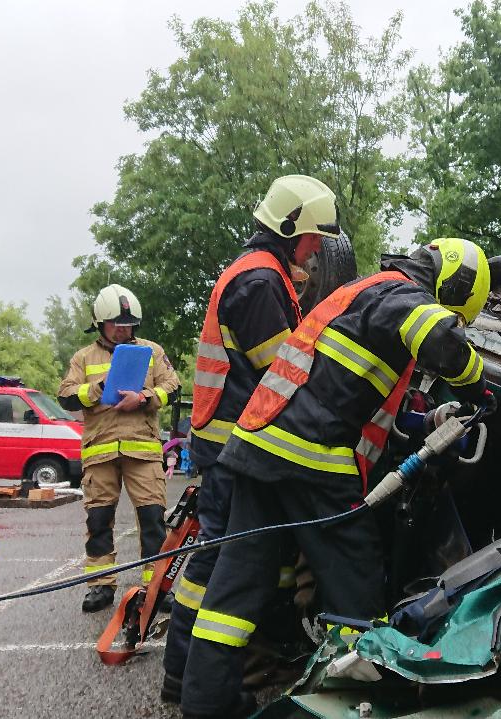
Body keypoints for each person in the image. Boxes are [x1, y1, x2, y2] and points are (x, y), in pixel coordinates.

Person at [179, 238, 495, 719]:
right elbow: (439, 337)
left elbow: (359, 402)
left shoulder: (363, 296)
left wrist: (427, 422)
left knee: (235, 588)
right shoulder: (401, 294)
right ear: (454, 286)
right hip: (310, 457)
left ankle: (206, 703)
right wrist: (478, 387)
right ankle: (354, 699)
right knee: (356, 578)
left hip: (258, 448)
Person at [161, 174, 336, 703]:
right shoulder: (258, 283)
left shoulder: (264, 276)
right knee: (221, 563)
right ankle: (191, 675)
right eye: (313, 238)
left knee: (244, 560)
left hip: (231, 444)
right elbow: (284, 372)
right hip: (232, 448)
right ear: (289, 229)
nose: (318, 248)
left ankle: (218, 667)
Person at [57, 284, 181, 612]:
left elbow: (173, 385)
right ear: (101, 322)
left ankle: (156, 586)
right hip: (100, 452)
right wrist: (97, 390)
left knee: (153, 518)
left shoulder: (152, 352)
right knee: (99, 519)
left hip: (142, 450)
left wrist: (143, 397)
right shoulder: (83, 358)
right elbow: (66, 396)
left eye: (128, 324)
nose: (123, 329)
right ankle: (100, 585)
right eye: (116, 323)